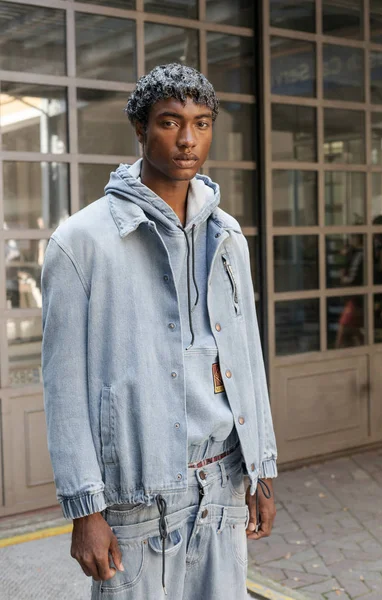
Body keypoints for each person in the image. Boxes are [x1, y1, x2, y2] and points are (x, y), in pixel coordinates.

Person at [41, 63, 278, 599]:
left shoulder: (228, 235)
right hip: (137, 501)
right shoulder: (82, 242)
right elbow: (64, 390)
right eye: (170, 122)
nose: (188, 139)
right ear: (140, 129)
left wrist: (262, 468)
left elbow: (246, 356)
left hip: (221, 486)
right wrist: (86, 511)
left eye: (201, 122)